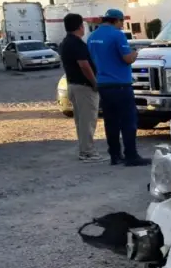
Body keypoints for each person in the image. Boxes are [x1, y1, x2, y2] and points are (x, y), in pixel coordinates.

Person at [88, 9, 151, 167]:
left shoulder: (92, 37)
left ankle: (115, 155)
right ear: (116, 20)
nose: (122, 25)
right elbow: (127, 58)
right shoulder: (117, 35)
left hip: (103, 84)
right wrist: (135, 53)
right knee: (128, 121)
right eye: (122, 21)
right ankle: (131, 156)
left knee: (111, 122)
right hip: (120, 84)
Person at [60, 13, 104, 163]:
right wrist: (94, 82)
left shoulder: (65, 42)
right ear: (80, 26)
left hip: (73, 85)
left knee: (81, 121)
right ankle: (88, 152)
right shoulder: (77, 43)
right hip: (84, 87)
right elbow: (84, 65)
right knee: (87, 121)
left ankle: (84, 149)